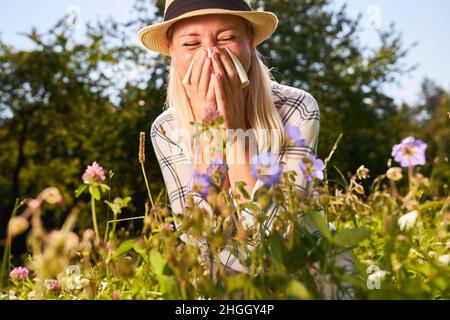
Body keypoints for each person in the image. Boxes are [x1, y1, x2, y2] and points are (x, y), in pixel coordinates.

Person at [139, 0, 354, 298]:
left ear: (250, 42)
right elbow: (201, 239)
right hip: (225, 282)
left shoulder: (298, 108)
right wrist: (209, 132)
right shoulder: (166, 129)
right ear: (172, 53)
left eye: (227, 38)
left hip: (307, 271)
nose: (211, 55)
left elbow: (276, 239)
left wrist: (237, 131)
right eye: (191, 43)